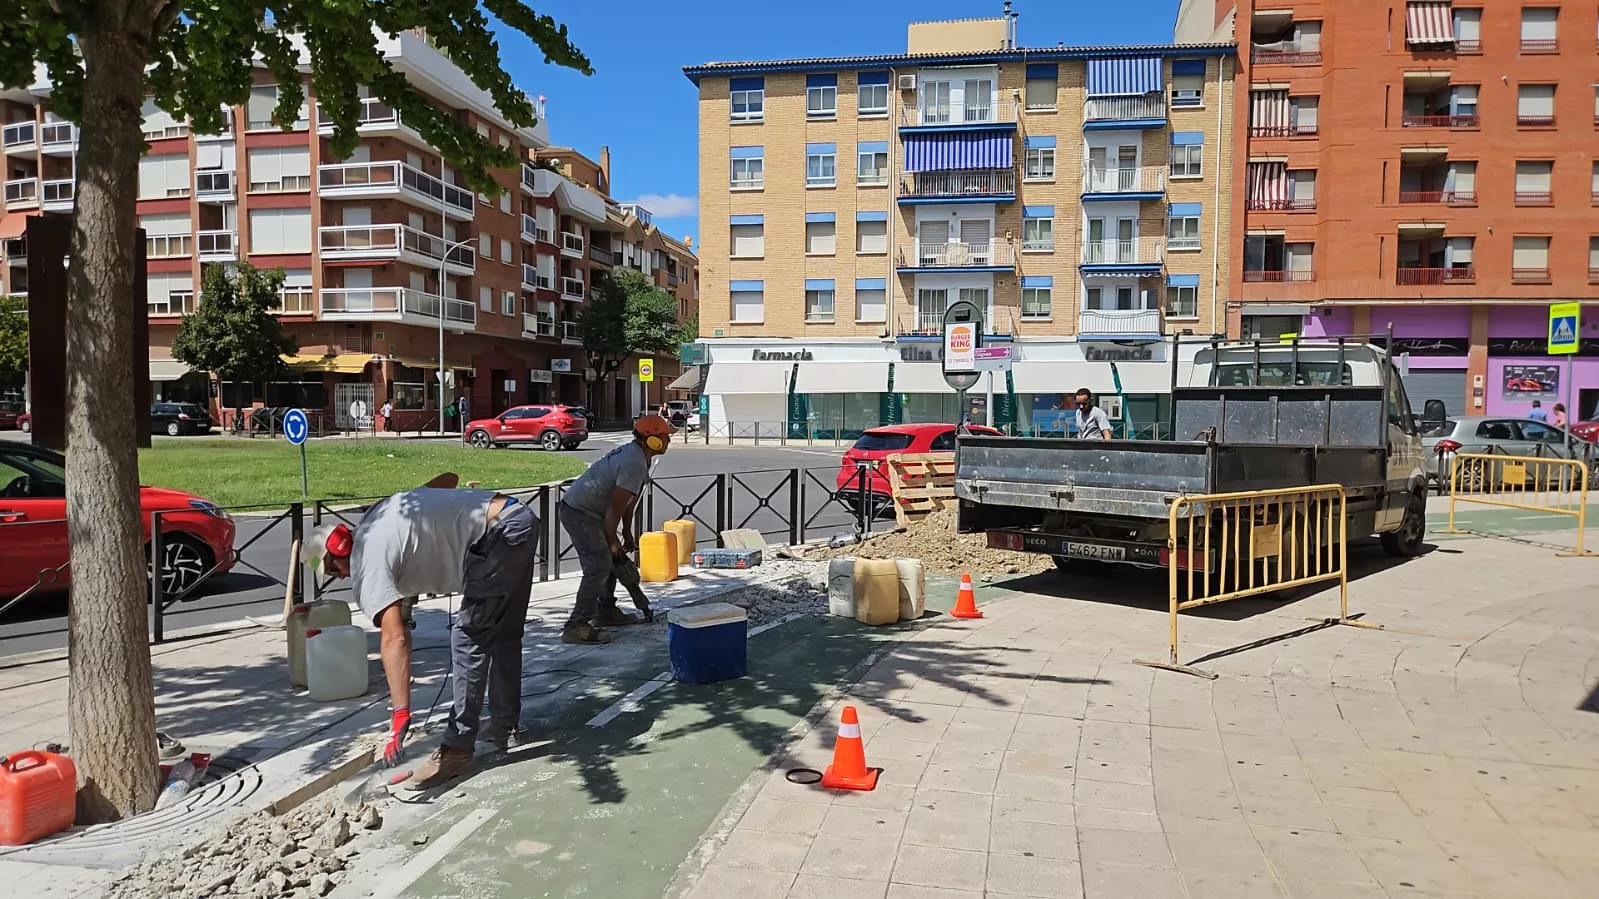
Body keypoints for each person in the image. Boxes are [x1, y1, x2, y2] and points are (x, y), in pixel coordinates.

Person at [304, 473, 539, 787]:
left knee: (468, 637)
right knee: (504, 633)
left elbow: (394, 638)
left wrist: (400, 712)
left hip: (497, 537)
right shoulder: (380, 513)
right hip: (520, 519)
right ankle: (503, 722)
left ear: (337, 555)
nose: (342, 578)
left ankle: (457, 750)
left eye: (335, 571)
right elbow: (446, 480)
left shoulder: (366, 565)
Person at [558, 414, 675, 644]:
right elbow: (614, 508)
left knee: (610, 561)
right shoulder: (633, 462)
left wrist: (627, 533)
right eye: (665, 437)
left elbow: (628, 503)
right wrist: (613, 541)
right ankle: (576, 626)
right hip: (580, 512)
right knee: (599, 565)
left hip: (591, 512)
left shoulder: (639, 457)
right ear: (652, 440)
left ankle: (606, 611)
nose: (668, 441)